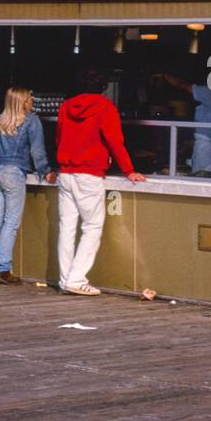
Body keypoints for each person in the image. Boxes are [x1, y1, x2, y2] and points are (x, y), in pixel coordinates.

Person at [56, 67, 146, 296]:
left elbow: (59, 137)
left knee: (66, 227)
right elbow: (115, 141)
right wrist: (129, 170)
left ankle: (65, 278)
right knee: (92, 226)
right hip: (90, 174)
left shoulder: (66, 106)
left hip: (66, 172)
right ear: (104, 87)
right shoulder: (106, 107)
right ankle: (76, 279)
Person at [0, 87, 56, 284]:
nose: (32, 101)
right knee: (10, 223)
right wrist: (45, 170)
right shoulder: (31, 120)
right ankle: (1, 269)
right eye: (29, 98)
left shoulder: (2, 120)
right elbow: (37, 150)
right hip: (14, 173)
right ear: (22, 102)